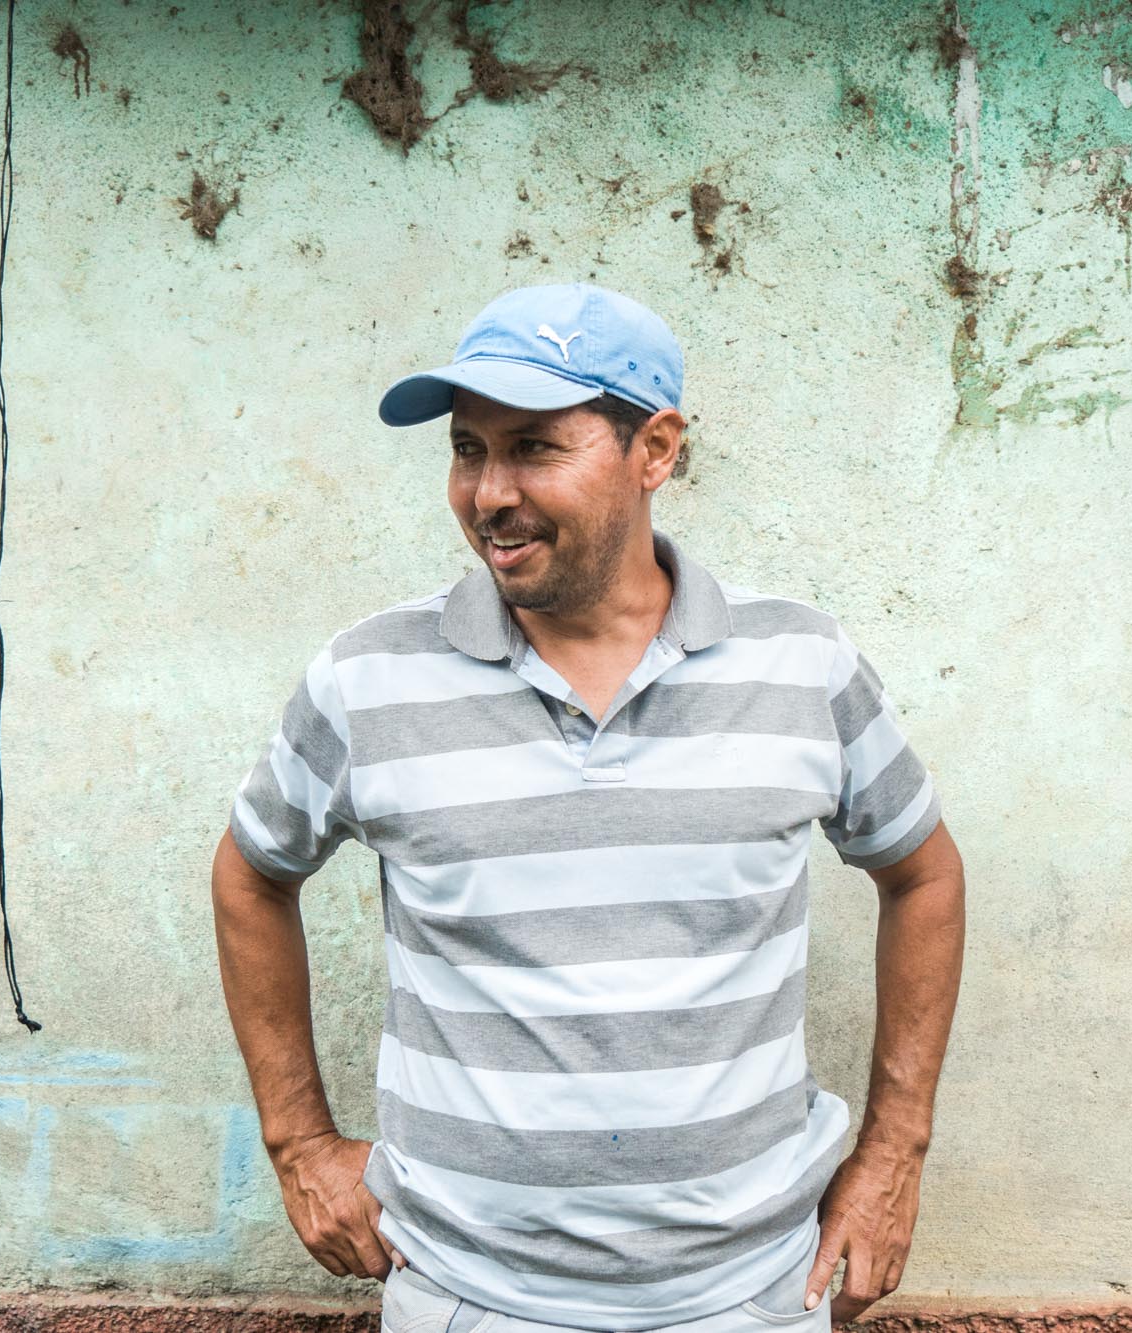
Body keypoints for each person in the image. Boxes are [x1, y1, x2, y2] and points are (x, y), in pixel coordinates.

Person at [211, 283, 965, 1333]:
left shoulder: (800, 663)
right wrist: (298, 1143)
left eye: (533, 448)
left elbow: (923, 874)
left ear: (654, 450)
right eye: (468, 449)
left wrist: (893, 1151)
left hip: (747, 1298)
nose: (489, 493)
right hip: (468, 1298)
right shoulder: (367, 678)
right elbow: (251, 874)